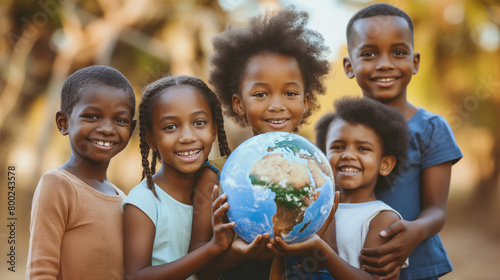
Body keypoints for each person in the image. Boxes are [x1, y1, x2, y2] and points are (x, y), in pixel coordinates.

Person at [188, 6, 334, 280]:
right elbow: (200, 269)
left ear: (305, 101)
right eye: (261, 94)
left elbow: (326, 257)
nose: (276, 105)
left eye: (290, 93)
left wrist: (318, 237)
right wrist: (237, 252)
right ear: (238, 104)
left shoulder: (319, 174)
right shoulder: (215, 175)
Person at [342, 3, 463, 279]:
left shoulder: (431, 129)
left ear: (414, 62)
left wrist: (413, 233)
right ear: (350, 66)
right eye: (369, 54)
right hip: (355, 265)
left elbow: (436, 210)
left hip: (416, 267)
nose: (385, 63)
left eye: (398, 53)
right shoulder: (341, 131)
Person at [272, 96, 410, 279]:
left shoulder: (382, 219)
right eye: (338, 147)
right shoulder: (309, 207)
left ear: (385, 164)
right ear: (322, 156)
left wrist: (322, 250)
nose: (348, 155)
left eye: (363, 148)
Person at [26, 65, 137, 279]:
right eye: (92, 116)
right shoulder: (58, 185)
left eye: (120, 120)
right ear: (64, 122)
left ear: (130, 130)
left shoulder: (122, 198)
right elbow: (41, 272)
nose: (107, 128)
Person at [123, 75, 235, 280]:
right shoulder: (143, 202)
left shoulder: (228, 190)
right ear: (152, 140)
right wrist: (210, 249)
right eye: (170, 127)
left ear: (213, 130)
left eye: (199, 123)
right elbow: (136, 276)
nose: (187, 137)